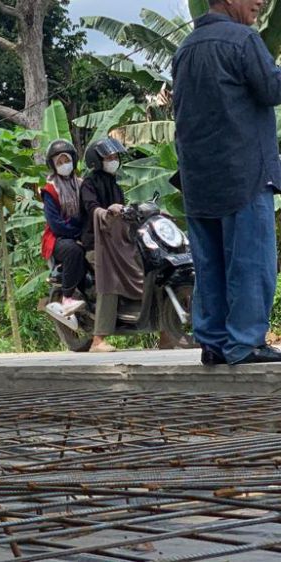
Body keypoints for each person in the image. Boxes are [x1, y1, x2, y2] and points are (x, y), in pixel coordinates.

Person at [174, 0, 281, 365]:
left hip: (199, 178)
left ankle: (214, 344)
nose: (261, 2)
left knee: (209, 264)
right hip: (244, 172)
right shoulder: (243, 40)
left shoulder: (185, 48)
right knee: (250, 261)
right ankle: (246, 342)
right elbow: (272, 90)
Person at [78, 138, 141, 353]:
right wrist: (106, 211)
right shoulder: (89, 184)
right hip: (96, 244)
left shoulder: (116, 186)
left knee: (150, 269)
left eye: (115, 157)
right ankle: (98, 339)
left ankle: (165, 333)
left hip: (117, 243)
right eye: (108, 157)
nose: (113, 160)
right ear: (97, 161)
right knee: (110, 278)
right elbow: (91, 208)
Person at [40, 140, 86, 318]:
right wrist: (77, 234)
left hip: (80, 232)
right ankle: (67, 298)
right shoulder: (50, 190)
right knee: (74, 250)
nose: (64, 164)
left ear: (73, 160)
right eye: (59, 162)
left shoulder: (82, 184)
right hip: (58, 238)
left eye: (66, 160)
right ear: (53, 165)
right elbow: (55, 224)